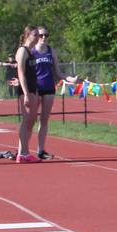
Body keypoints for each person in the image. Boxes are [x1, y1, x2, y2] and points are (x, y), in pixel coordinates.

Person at [32, 26, 75, 159]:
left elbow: (58, 71)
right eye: (41, 35)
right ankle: (24, 150)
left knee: (44, 120)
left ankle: (41, 150)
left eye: (46, 35)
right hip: (35, 88)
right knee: (30, 120)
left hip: (49, 88)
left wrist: (70, 79)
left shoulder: (51, 51)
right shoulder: (31, 52)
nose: (44, 38)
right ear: (36, 36)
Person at [15, 26, 41, 163]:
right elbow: (21, 73)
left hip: (32, 88)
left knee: (31, 121)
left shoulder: (31, 52)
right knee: (27, 121)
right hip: (25, 90)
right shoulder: (22, 51)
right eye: (35, 35)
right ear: (27, 35)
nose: (37, 37)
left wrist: (34, 91)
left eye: (38, 35)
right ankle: (23, 153)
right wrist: (25, 93)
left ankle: (23, 152)